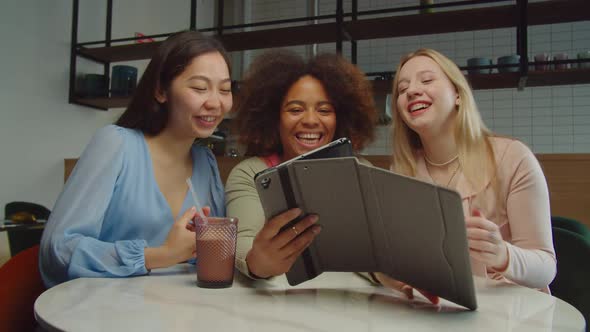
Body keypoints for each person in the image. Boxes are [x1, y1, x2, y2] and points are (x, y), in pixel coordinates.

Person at [39, 31, 232, 287]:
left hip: (175, 315)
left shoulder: (206, 162)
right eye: (199, 88)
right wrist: (158, 256)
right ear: (161, 91)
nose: (216, 102)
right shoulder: (116, 144)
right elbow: (58, 249)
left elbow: (209, 256)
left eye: (226, 89)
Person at [376, 48, 556, 296]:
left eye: (427, 80)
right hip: (437, 314)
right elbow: (390, 262)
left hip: (512, 317)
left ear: (458, 94)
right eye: (402, 89)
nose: (412, 91)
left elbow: (546, 268)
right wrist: (396, 276)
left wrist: (502, 255)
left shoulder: (513, 158)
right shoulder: (401, 171)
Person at [225, 49, 378, 279]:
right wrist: (257, 262)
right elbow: (243, 241)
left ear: (340, 118)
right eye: (295, 110)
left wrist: (386, 274)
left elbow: (378, 249)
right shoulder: (251, 173)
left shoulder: (360, 171)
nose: (309, 120)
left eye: (324, 110)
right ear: (274, 118)